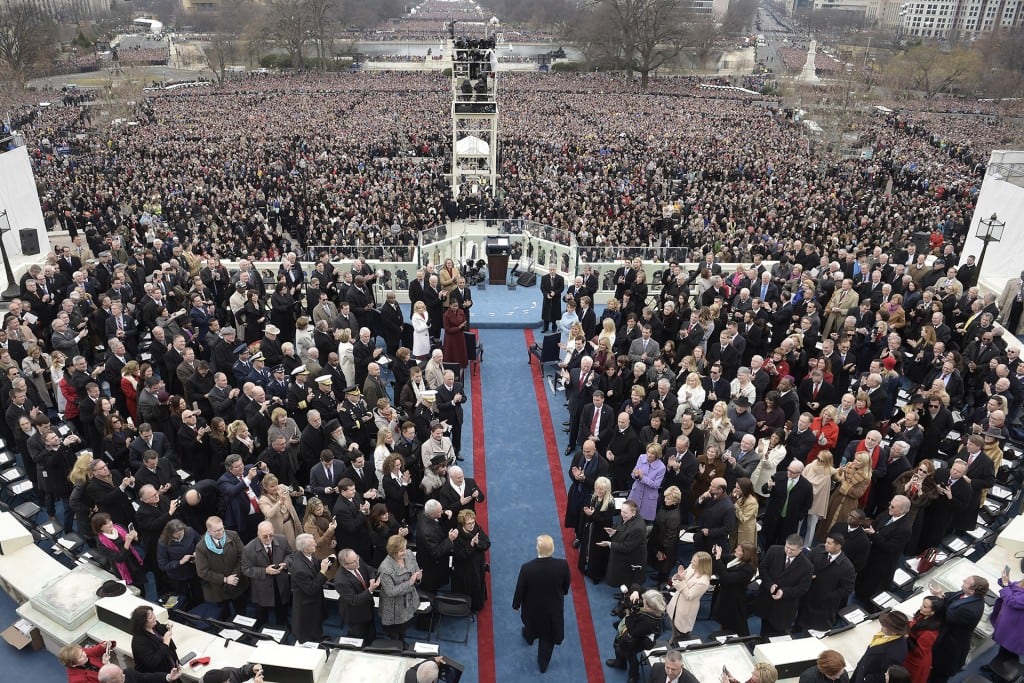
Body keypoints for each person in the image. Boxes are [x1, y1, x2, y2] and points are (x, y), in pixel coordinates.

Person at [513, 534, 571, 674]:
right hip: (552, 611)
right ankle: (543, 665)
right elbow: (565, 587)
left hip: (532, 610)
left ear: (537, 548)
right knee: (547, 640)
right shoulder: (562, 565)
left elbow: (520, 588)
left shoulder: (527, 568)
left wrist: (516, 604)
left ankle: (529, 637)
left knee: (530, 626)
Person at [929, 575, 988, 683]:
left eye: (966, 582)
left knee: (939, 674)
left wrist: (938, 599)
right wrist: (942, 594)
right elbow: (952, 596)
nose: (963, 580)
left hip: (951, 646)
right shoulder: (967, 594)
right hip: (946, 638)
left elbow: (948, 615)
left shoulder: (971, 610)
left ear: (972, 591)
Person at [855, 496, 913, 602]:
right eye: (890, 504)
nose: (889, 507)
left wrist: (874, 535)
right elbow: (876, 523)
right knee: (862, 576)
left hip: (883, 561)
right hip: (871, 553)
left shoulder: (905, 529)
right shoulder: (888, 513)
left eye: (893, 507)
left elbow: (890, 547)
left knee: (872, 584)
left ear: (902, 510)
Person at [796, 532, 857, 632]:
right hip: (809, 594)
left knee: (817, 627)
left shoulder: (847, 567)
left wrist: (829, 596)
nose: (825, 545)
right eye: (826, 542)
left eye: (829, 543)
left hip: (825, 604)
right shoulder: (818, 550)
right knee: (802, 616)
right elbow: (806, 564)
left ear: (838, 546)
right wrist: (807, 575)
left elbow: (847, 589)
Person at [756, 534, 814, 636]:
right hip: (766, 599)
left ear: (801, 549)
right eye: (787, 547)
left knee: (777, 633)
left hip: (784, 607)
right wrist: (770, 585)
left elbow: (803, 589)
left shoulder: (807, 566)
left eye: (793, 549)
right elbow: (763, 568)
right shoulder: (774, 550)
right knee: (764, 626)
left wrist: (783, 592)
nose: (789, 551)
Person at [193, 516, 249, 619]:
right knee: (224, 615)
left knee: (241, 612)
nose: (221, 532)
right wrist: (225, 579)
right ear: (209, 531)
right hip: (218, 589)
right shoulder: (201, 547)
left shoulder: (233, 535)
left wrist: (234, 576)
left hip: (237, 582)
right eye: (216, 531)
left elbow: (243, 557)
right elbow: (202, 572)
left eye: (222, 528)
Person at [605, 589, 666, 683]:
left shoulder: (649, 622)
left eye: (644, 603)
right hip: (633, 631)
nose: (642, 603)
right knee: (618, 645)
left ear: (650, 608)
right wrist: (636, 591)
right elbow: (642, 589)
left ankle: (634, 675)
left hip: (637, 639)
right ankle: (620, 663)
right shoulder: (655, 608)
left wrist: (628, 614)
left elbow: (633, 631)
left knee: (630, 655)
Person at [240, 521, 291, 626]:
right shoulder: (248, 549)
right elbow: (246, 570)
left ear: (273, 531)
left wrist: (285, 563)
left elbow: (290, 554)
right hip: (262, 587)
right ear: (258, 534)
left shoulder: (282, 539)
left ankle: (283, 628)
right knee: (262, 615)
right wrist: (265, 571)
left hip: (280, 584)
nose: (268, 538)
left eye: (271, 535)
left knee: (282, 612)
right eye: (265, 536)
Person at [377, 533, 422, 645]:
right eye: (401, 550)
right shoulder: (385, 568)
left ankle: (401, 641)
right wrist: (410, 583)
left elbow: (416, 570)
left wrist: (417, 578)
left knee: (405, 625)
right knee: (395, 629)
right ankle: (395, 645)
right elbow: (391, 591)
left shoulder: (409, 554)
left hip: (408, 600)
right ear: (393, 552)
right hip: (394, 606)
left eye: (405, 548)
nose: (405, 551)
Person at [286, 533, 330, 643]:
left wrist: (326, 561)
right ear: (305, 549)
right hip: (307, 606)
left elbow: (314, 565)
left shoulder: (308, 555)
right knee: (308, 633)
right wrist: (323, 571)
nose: (315, 544)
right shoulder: (299, 568)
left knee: (316, 627)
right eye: (312, 544)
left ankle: (318, 638)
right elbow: (311, 589)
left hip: (315, 602)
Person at [762, 460, 814, 548]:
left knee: (783, 544)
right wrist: (769, 487)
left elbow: (808, 503)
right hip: (774, 516)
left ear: (800, 473)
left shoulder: (806, 486)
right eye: (788, 470)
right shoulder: (778, 476)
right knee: (769, 540)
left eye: (793, 472)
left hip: (790, 521)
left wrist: (799, 516)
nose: (789, 473)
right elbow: (764, 489)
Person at [710, 541, 757, 636]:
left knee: (737, 625)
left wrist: (718, 558)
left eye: (739, 550)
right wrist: (716, 553)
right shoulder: (736, 558)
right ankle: (724, 635)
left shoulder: (748, 569)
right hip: (725, 594)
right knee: (724, 620)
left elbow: (727, 577)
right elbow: (724, 557)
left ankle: (742, 640)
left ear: (745, 554)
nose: (735, 550)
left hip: (735, 600)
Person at [334, 547, 380, 644]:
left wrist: (372, 578)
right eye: (354, 562)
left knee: (371, 632)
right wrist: (370, 589)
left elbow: (370, 569)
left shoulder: (357, 560)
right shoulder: (341, 580)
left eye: (357, 559)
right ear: (345, 565)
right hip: (355, 614)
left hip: (367, 606)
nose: (358, 562)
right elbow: (354, 600)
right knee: (359, 638)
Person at [850, 610, 910, 683]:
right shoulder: (886, 635)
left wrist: (867, 679)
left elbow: (885, 676)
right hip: (862, 670)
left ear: (894, 631)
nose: (882, 626)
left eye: (885, 625)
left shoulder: (893, 654)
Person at [599, 499, 647, 587]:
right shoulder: (629, 516)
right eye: (621, 511)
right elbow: (621, 525)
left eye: (625, 512)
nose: (622, 514)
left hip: (631, 560)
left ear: (633, 512)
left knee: (627, 581)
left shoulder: (638, 528)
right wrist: (614, 531)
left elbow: (627, 547)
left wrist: (609, 544)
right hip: (624, 557)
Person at [665, 551, 712, 640]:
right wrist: (679, 577)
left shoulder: (703, 582)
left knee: (682, 632)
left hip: (686, 608)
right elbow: (682, 577)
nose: (691, 562)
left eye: (694, 561)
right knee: (673, 624)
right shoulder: (692, 567)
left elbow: (689, 596)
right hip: (676, 602)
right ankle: (673, 639)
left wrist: (681, 580)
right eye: (692, 559)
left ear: (701, 565)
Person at [91, 512, 145, 587]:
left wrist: (135, 537)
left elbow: (136, 543)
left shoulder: (119, 527)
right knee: (136, 586)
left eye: (110, 521)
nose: (110, 524)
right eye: (106, 523)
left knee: (141, 579)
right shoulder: (101, 543)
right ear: (100, 528)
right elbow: (119, 558)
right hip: (124, 567)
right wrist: (127, 543)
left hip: (133, 559)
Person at [451, 509, 490, 613]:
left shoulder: (477, 529)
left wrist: (478, 542)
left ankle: (476, 605)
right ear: (463, 524)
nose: (472, 525)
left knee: (478, 585)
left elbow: (487, 543)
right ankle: (466, 606)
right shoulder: (457, 535)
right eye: (469, 524)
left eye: (473, 522)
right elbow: (460, 555)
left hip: (477, 565)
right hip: (465, 569)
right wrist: (471, 545)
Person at [902, 595, 944, 683]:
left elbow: (919, 651)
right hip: (908, 655)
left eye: (924, 607)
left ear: (933, 612)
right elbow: (913, 624)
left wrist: (906, 637)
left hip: (915, 663)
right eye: (922, 604)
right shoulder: (921, 615)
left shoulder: (930, 632)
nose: (921, 607)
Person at [647, 485, 682, 583]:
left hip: (666, 548)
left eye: (668, 498)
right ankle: (660, 577)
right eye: (665, 497)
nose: (665, 500)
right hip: (658, 541)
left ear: (675, 501)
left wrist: (662, 551)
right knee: (660, 565)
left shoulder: (674, 516)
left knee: (664, 566)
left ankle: (662, 585)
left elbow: (670, 538)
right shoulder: (666, 507)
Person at [129, 605, 177, 674]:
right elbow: (151, 662)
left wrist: (166, 626)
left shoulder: (153, 624)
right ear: (143, 623)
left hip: (170, 664)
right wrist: (165, 643)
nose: (154, 617)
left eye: (153, 614)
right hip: (158, 675)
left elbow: (160, 627)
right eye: (150, 617)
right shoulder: (139, 642)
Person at [628, 443, 666, 522]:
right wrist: (636, 475)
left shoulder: (661, 467)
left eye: (652, 453)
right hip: (636, 493)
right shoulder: (641, 457)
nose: (649, 455)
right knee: (629, 517)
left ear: (657, 455)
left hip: (648, 498)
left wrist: (643, 478)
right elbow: (633, 473)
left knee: (643, 522)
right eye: (648, 452)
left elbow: (656, 484)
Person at [96, 663, 181, 683]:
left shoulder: (128, 672)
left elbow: (147, 677)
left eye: (121, 671)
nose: (124, 674)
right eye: (120, 676)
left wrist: (168, 677)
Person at [199, 663, 265, 683]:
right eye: (226, 681)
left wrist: (251, 669)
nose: (229, 680)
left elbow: (239, 673)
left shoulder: (226, 673)